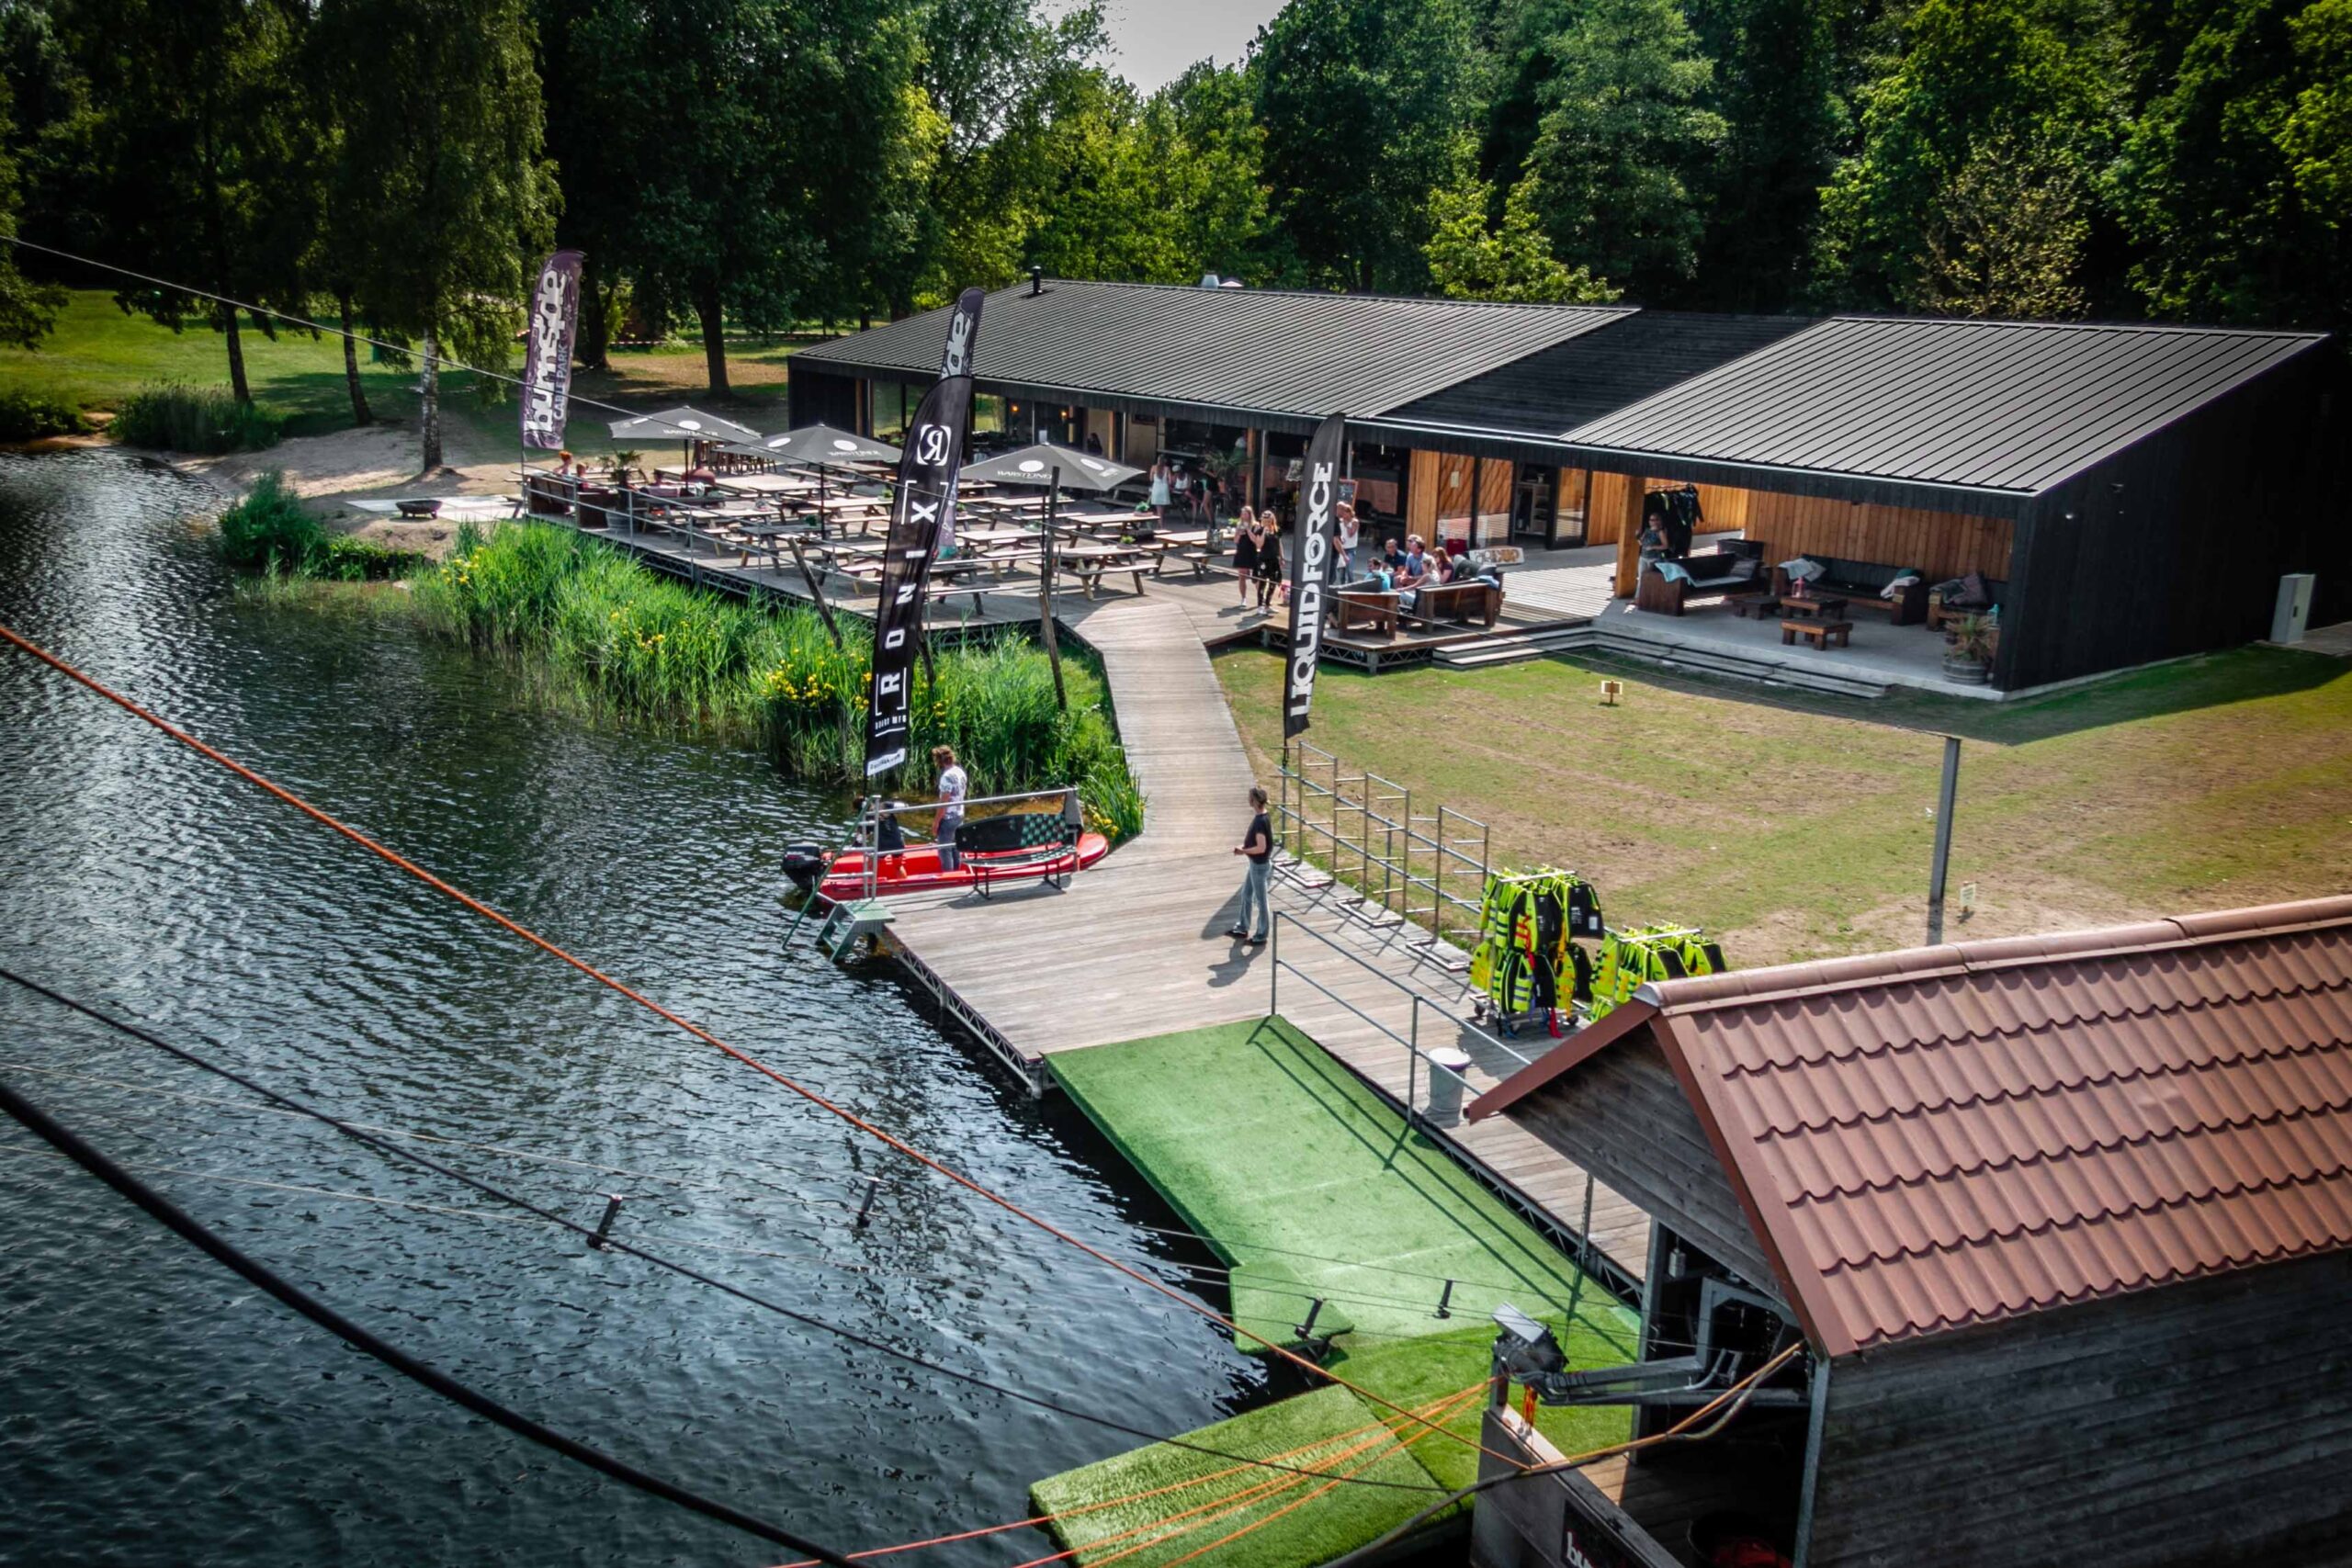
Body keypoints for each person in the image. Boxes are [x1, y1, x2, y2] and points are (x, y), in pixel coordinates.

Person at [1227, 785, 1273, 944]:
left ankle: (1262, 934)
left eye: (1249, 797)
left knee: (1261, 901)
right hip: (1256, 865)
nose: (1248, 800)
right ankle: (1242, 927)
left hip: (1259, 867)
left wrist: (1243, 851)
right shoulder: (1262, 817)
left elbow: (1261, 847)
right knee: (1246, 895)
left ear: (1254, 800)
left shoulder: (1261, 821)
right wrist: (1244, 847)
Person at [932, 745, 968, 872]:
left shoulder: (946, 777)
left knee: (944, 849)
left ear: (939, 761)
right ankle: (956, 872)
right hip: (959, 814)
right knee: (955, 846)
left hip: (948, 818)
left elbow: (944, 803)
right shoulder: (960, 771)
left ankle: (949, 875)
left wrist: (936, 822)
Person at [1231, 506, 1261, 606]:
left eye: (1246, 514)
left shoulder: (1256, 525)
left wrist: (1248, 530)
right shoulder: (1239, 524)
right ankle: (1243, 598)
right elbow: (1235, 541)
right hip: (1241, 552)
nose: (1244, 516)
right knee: (1242, 577)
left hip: (1252, 552)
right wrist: (1239, 534)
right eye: (1242, 514)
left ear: (1250, 514)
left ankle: (1261, 598)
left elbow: (1256, 541)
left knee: (1256, 577)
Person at [1254, 518, 1283, 609]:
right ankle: (1260, 605)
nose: (1267, 520)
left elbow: (1279, 544)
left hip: (1274, 559)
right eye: (1265, 518)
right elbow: (1259, 545)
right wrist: (1264, 531)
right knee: (1262, 582)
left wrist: (1282, 557)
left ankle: (1267, 603)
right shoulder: (1260, 530)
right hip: (1264, 559)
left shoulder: (1276, 530)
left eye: (1269, 517)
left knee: (1273, 582)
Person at [1334, 500, 1361, 580]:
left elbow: (1351, 534)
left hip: (1350, 548)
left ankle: (1351, 583)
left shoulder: (1354, 522)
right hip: (1342, 547)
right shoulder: (1339, 521)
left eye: (1346, 512)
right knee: (1341, 570)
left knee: (1349, 569)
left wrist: (1347, 525)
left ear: (1350, 513)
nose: (1344, 514)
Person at [1148, 458, 1172, 524]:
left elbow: (1151, 479)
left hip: (1156, 488)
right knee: (1162, 509)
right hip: (1164, 488)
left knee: (1158, 509)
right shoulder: (1167, 469)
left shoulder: (1153, 467)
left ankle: (1160, 524)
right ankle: (1161, 523)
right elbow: (1170, 482)